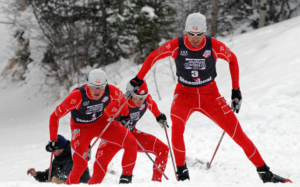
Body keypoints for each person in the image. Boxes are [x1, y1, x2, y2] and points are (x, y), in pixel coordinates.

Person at [125, 13, 292, 183]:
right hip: (184, 94)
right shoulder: (177, 45)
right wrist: (138, 78)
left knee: (238, 134)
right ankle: (183, 174)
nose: (195, 39)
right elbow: (154, 56)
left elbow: (232, 59)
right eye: (191, 34)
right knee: (177, 128)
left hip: (209, 94)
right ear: (185, 32)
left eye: (199, 35)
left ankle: (265, 173)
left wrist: (236, 91)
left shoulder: (213, 46)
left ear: (205, 32)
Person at [45, 69, 138, 184]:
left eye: (101, 87)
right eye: (94, 87)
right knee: (80, 166)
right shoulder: (77, 96)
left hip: (101, 123)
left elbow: (122, 100)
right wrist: (53, 140)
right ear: (88, 85)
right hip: (81, 129)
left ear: (105, 85)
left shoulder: (110, 91)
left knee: (131, 142)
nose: (98, 90)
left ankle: (126, 179)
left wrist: (126, 116)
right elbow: (54, 117)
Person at [93, 81, 169, 183]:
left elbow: (154, 108)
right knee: (98, 174)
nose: (141, 100)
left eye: (143, 97)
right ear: (130, 94)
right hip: (112, 138)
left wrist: (159, 117)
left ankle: (155, 183)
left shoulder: (146, 100)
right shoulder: (119, 103)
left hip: (132, 134)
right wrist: (117, 124)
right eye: (137, 97)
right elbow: (99, 121)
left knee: (163, 149)